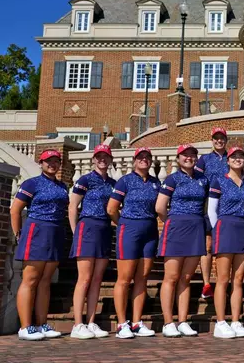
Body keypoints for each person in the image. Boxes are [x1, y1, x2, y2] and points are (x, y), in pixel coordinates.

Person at [10, 150, 68, 341]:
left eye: (55, 161)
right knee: (31, 279)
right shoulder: (31, 183)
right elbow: (15, 210)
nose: (52, 164)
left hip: (56, 232)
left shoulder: (62, 186)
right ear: (41, 163)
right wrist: (18, 234)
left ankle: (41, 323)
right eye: (48, 161)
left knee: (46, 280)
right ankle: (25, 327)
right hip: (36, 231)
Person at [107, 147, 160, 339]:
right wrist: (124, 224)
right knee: (125, 277)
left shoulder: (155, 182)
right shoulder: (125, 180)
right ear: (134, 160)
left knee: (142, 277)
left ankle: (137, 322)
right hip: (129, 228)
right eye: (140, 157)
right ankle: (122, 323)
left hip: (150, 230)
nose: (144, 160)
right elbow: (112, 208)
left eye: (147, 157)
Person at [155, 144, 207, 337]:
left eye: (192, 155)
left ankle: (183, 320)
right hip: (176, 227)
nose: (189, 158)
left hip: (196, 229)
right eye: (185, 155)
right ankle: (168, 322)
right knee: (171, 277)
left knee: (186, 278)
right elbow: (160, 207)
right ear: (178, 158)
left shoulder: (203, 179)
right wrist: (173, 221)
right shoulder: (172, 178)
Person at [68, 144, 116, 339]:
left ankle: (91, 321)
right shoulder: (85, 179)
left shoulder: (113, 183)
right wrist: (75, 230)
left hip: (104, 229)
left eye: (106, 156)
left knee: (97, 279)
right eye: (99, 156)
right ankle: (78, 324)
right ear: (94, 159)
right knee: (85, 278)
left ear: (110, 159)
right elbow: (73, 206)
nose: (102, 159)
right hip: (87, 227)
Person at [209, 147, 244, 338]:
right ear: (228, 161)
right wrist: (215, 231)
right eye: (233, 157)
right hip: (225, 227)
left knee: (238, 279)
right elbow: (212, 210)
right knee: (223, 278)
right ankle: (221, 322)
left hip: (243, 228)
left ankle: (235, 321)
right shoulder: (219, 180)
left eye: (240, 156)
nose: (237, 159)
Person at [195, 127, 229, 300]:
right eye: (216, 138)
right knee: (208, 244)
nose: (219, 141)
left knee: (225, 245)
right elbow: (197, 179)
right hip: (209, 203)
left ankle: (223, 282)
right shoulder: (204, 159)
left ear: (226, 140)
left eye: (222, 138)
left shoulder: (232, 158)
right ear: (212, 140)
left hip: (229, 204)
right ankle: (207, 284)